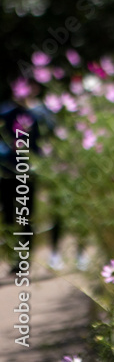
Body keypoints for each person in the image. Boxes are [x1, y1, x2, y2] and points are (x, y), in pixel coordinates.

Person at [0, 99, 61, 273]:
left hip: (28, 172)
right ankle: (12, 256)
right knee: (9, 216)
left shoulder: (37, 113)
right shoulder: (6, 113)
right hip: (8, 171)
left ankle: (23, 258)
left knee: (26, 216)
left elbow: (50, 132)